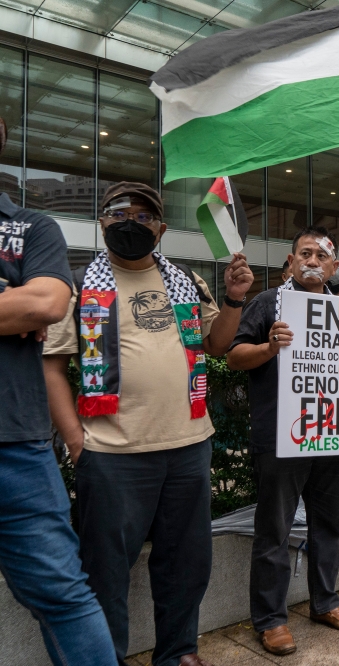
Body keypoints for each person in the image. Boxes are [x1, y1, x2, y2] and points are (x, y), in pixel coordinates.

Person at [44, 182, 253, 666]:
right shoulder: (77, 285)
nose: (130, 223)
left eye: (143, 217)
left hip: (188, 447)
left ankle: (179, 652)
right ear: (102, 222)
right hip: (111, 456)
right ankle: (106, 658)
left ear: (160, 229)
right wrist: (79, 445)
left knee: (186, 564)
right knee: (106, 571)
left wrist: (235, 299)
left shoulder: (186, 281)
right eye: (119, 213)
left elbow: (217, 344)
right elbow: (51, 365)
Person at [227, 228, 339, 654]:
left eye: (322, 255)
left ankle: (325, 602)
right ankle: (270, 619)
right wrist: (268, 347)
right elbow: (234, 356)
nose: (313, 260)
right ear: (291, 259)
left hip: (335, 436)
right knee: (275, 529)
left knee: (330, 524)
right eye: (305, 253)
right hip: (283, 439)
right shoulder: (268, 304)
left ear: (335, 268)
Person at [0, 114, 117, 666]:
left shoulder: (29, 228)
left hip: (16, 450)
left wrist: (26, 304)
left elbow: (46, 303)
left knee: (63, 594)